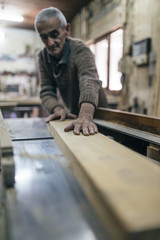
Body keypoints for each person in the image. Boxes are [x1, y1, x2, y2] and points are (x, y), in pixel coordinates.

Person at [34, 7, 107, 136]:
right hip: (74, 115)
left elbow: (89, 80)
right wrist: (57, 109)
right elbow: (46, 90)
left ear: (66, 29)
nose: (50, 43)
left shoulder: (80, 49)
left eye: (54, 35)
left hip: (98, 115)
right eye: (44, 37)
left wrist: (85, 115)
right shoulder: (43, 56)